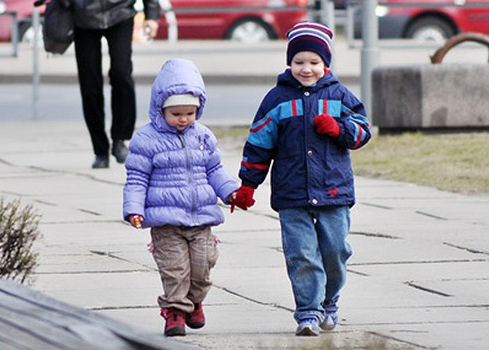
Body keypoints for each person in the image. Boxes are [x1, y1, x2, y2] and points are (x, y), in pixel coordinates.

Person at [230, 22, 372, 336]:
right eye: (298, 62)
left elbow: (363, 131)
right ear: (289, 63)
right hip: (292, 193)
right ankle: (307, 312)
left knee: (336, 252)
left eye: (313, 62)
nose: (305, 69)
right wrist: (247, 185)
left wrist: (339, 129)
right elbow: (259, 144)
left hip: (333, 191)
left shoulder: (339, 96)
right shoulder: (276, 100)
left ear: (326, 64)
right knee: (302, 255)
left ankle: (329, 302)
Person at [123, 58, 239, 337]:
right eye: (176, 113)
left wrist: (230, 191)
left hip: (201, 217)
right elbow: (137, 178)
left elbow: (214, 170)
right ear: (160, 109)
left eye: (190, 113)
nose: (183, 119)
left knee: (203, 266)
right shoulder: (146, 140)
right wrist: (133, 209)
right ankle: (174, 311)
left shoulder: (203, 137)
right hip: (166, 221)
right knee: (175, 270)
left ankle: (194, 300)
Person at [68, 0, 160, 168]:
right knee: (90, 85)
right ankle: (100, 150)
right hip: (83, 17)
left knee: (121, 74)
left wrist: (152, 15)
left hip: (120, 11)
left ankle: (120, 139)